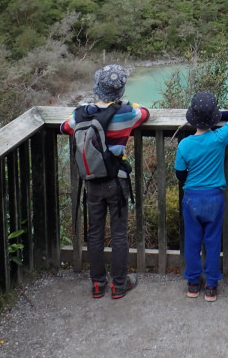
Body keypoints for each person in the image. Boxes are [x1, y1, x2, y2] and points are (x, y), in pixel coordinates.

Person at [61, 64, 150, 300]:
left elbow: (65, 126)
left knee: (95, 233)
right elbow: (146, 113)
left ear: (98, 88)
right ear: (119, 92)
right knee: (119, 234)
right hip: (117, 180)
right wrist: (129, 103)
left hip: (92, 182)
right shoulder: (126, 112)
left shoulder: (82, 114)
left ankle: (98, 283)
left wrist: (82, 110)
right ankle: (119, 284)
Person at [174, 91, 228, 302]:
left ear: (192, 117)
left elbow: (179, 173)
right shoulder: (220, 138)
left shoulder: (184, 145)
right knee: (212, 241)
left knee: (192, 241)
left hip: (192, 198)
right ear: (213, 117)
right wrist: (218, 114)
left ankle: (193, 284)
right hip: (214, 198)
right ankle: (211, 286)